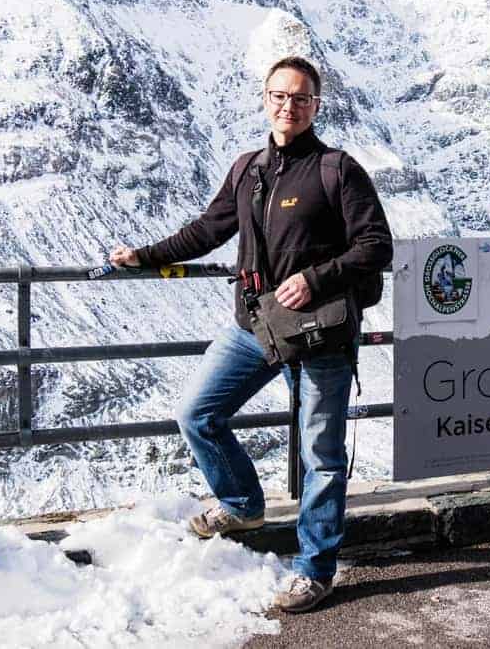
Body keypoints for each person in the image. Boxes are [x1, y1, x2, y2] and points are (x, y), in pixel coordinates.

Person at [108, 55, 393, 614]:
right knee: (197, 413)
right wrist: (145, 256)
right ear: (265, 99)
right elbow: (208, 230)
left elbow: (376, 247)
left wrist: (314, 279)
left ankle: (314, 570)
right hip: (257, 325)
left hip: (321, 335)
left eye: (301, 98)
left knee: (322, 456)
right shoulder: (248, 169)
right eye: (280, 96)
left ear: (316, 106)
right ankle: (242, 503)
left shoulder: (338, 169)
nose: (290, 106)